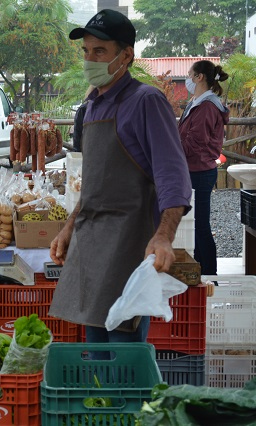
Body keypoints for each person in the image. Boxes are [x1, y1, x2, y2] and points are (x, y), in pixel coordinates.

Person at [48, 9, 192, 346]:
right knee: (96, 347)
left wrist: (163, 236)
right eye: (86, 51)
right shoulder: (92, 107)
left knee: (123, 352)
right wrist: (71, 224)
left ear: (125, 56)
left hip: (129, 245)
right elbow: (95, 180)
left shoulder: (146, 101)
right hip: (91, 242)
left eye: (99, 51)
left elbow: (174, 176)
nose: (89, 60)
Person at [179, 60, 229, 275]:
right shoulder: (197, 102)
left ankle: (209, 275)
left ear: (199, 77)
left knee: (200, 227)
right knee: (194, 226)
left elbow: (195, 143)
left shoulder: (207, 106)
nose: (187, 79)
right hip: (193, 170)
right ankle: (200, 273)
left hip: (199, 172)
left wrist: (169, 152)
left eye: (190, 74)